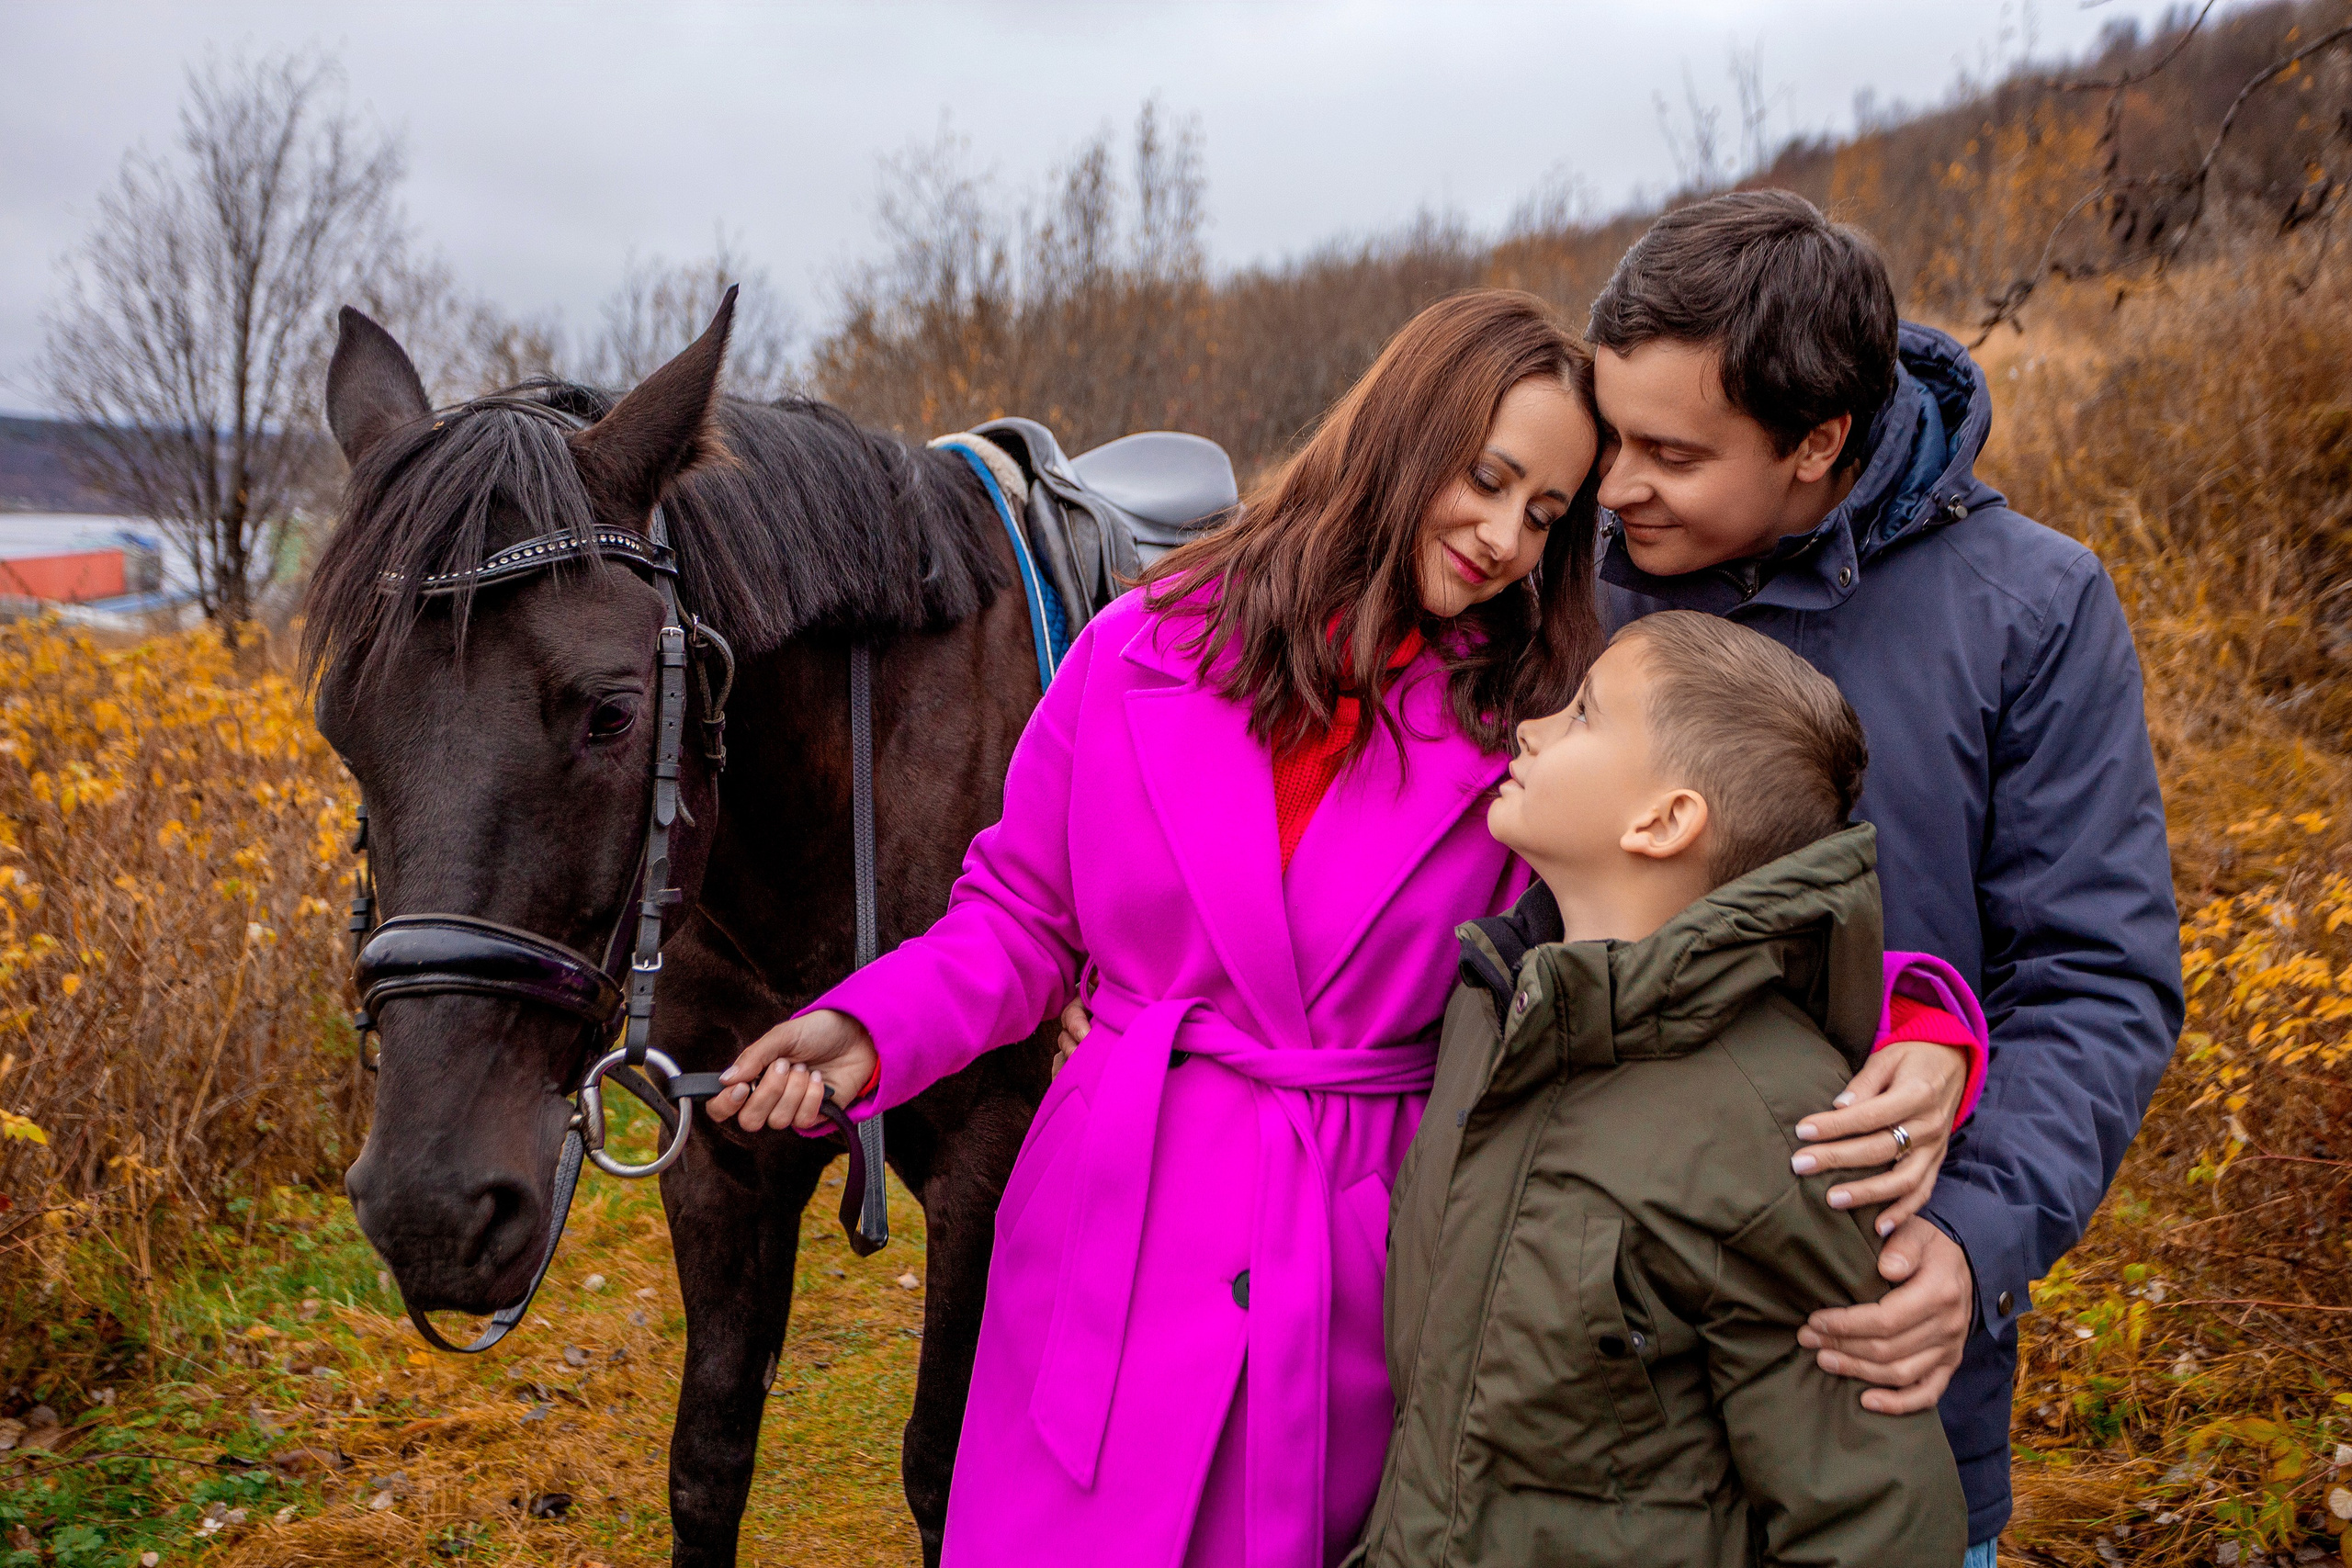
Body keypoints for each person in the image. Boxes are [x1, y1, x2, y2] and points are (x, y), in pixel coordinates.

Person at [708, 289, 1973, 1567]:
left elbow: (1717, 902)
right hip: (1105, 1220)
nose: (1503, 539)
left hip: (1353, 1247)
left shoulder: (1536, 722)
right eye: (1485, 479)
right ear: (1400, 436)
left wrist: (1920, 1018)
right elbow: (1022, 913)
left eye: (1546, 513)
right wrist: (871, 1028)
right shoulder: (1138, 645)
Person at [1586, 190, 2183, 1562]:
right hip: (1590, 1398)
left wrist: (1974, 1240)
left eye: (1670, 451)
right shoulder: (1582, 572)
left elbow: (2098, 980)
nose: (1617, 485)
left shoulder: (2033, 608)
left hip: (1873, 1383)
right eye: (1611, 428)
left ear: (1818, 443)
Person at [1353, 610, 1973, 1567]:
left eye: (1585, 714)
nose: (1531, 727)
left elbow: (1870, 1515)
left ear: (1663, 820)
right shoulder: (1490, 1013)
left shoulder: (1776, 1127)